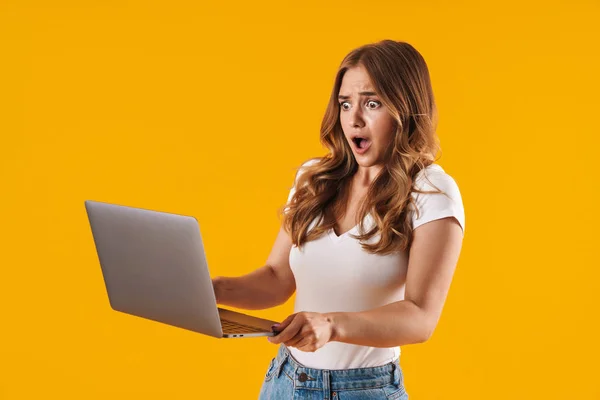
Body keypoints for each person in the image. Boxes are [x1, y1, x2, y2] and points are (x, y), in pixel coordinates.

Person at [211, 39, 465, 400]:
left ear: (406, 109)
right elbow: (277, 278)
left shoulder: (432, 191)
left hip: (364, 390)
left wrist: (332, 326)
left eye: (372, 103)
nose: (353, 119)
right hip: (285, 381)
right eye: (346, 104)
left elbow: (421, 317)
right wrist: (211, 290)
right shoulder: (314, 178)